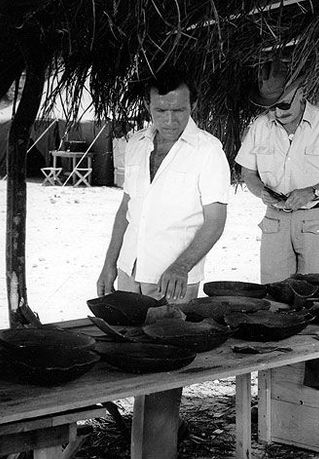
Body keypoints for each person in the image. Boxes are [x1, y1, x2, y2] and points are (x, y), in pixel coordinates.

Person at [96, 70, 230, 456]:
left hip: (172, 278)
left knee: (164, 370)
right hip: (129, 272)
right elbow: (126, 210)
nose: (170, 119)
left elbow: (216, 220)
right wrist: (109, 263)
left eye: (179, 109)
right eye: (161, 110)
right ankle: (135, 444)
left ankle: (156, 452)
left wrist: (181, 266)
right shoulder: (136, 145)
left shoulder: (208, 150)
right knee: (125, 356)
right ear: (148, 106)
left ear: (192, 105)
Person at [235, 59, 319, 283]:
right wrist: (260, 191)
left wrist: (313, 193)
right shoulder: (260, 126)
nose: (277, 112)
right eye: (271, 106)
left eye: (283, 104)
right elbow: (248, 174)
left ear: (302, 93)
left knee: (315, 296)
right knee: (274, 295)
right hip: (275, 220)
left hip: (317, 221)